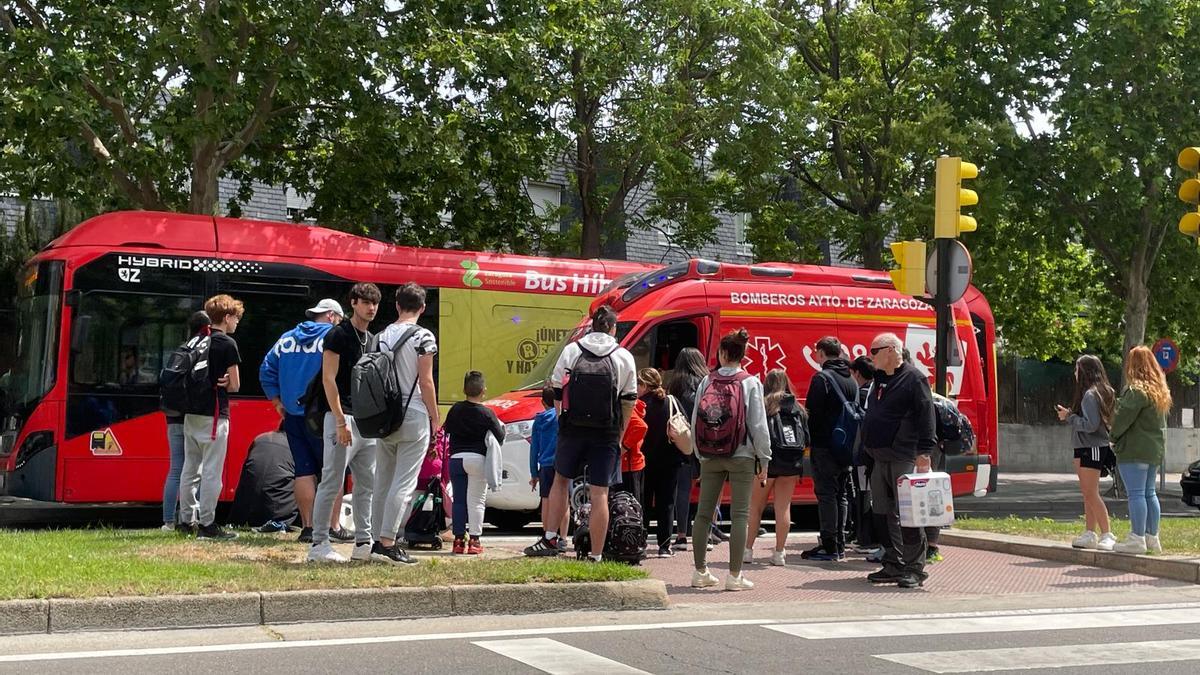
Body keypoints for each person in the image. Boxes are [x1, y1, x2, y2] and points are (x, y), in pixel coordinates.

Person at [524, 305, 638, 560]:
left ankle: (551, 538)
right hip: (606, 432)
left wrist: (562, 422)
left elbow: (556, 389)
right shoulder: (623, 356)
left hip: (572, 429)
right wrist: (619, 436)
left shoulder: (572, 350)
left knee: (561, 482)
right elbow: (628, 400)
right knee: (600, 492)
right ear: (612, 328)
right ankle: (596, 555)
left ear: (591, 326)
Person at [259, 298, 350, 543]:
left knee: (303, 470)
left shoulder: (287, 338)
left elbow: (266, 369)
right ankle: (332, 525)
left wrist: (278, 402)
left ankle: (308, 527)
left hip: (293, 416)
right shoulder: (334, 337)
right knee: (334, 470)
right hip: (324, 415)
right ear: (332, 316)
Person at [690, 329, 771, 591]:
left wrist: (699, 453)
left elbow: (694, 419)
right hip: (742, 455)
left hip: (710, 454)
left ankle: (700, 571)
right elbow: (758, 425)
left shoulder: (706, 381)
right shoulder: (750, 382)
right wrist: (764, 458)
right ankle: (734, 576)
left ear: (722, 353)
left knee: (703, 515)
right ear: (743, 354)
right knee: (739, 515)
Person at [309, 283, 381, 563]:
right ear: (353, 303)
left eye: (374, 302)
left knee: (367, 483)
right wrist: (340, 421)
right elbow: (329, 379)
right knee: (332, 480)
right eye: (365, 302)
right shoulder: (338, 334)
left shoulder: (372, 339)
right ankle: (318, 544)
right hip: (342, 418)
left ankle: (364, 542)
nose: (371, 307)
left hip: (367, 421)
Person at [371, 282, 440, 565]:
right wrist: (435, 418)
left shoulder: (380, 337)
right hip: (413, 415)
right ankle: (389, 543)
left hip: (384, 417)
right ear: (422, 308)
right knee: (404, 482)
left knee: (382, 481)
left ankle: (375, 541)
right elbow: (425, 382)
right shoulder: (424, 337)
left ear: (397, 305)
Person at [862, 332, 936, 589]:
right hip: (879, 456)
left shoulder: (915, 379)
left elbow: (927, 415)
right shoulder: (879, 381)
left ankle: (915, 568)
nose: (870, 356)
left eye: (875, 350)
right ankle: (893, 562)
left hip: (904, 455)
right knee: (882, 513)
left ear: (892, 350)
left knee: (909, 514)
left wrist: (924, 452)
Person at [179, 295, 243, 541]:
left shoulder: (198, 341)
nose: (237, 323)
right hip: (215, 415)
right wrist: (228, 382)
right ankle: (208, 524)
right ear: (227, 318)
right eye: (236, 318)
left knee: (190, 468)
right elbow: (235, 384)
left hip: (190, 414)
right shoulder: (227, 344)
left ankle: (186, 521)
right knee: (212, 472)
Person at [802, 336, 858, 562]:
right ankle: (840, 543)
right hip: (846, 446)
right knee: (841, 494)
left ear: (822, 353)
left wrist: (809, 439)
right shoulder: (852, 380)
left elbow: (812, 414)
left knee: (826, 494)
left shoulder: (822, 379)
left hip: (825, 444)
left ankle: (829, 544)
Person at [1110, 346, 1170, 555]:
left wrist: (1112, 437)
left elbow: (1121, 419)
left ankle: (1137, 538)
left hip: (1134, 448)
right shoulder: (1159, 392)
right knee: (1149, 493)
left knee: (1135, 494)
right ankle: (1152, 537)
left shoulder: (1136, 391)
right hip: (1153, 450)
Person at [1055, 354, 1117, 552]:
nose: (1074, 372)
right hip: (1085, 447)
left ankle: (1107, 533)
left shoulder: (1091, 395)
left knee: (1090, 493)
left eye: (1077, 369)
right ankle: (1090, 533)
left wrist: (1070, 417)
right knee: (1087, 493)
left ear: (1085, 371)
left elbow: (1091, 425)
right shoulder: (1100, 392)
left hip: (1091, 447)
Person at [745, 369, 805, 566]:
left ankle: (747, 550)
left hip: (767, 463)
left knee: (755, 507)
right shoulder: (797, 407)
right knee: (783, 507)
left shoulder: (764, 405)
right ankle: (779, 553)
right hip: (791, 462)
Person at [444, 370, 504, 555]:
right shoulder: (487, 413)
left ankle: (459, 540)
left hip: (456, 459)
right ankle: (475, 541)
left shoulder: (455, 409)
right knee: (477, 501)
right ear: (483, 391)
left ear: (464, 389)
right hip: (477, 459)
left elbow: (447, 429)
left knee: (459, 500)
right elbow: (500, 436)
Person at [161, 311, 211, 531]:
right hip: (192, 417)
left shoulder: (182, 350)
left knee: (176, 470)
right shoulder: (203, 351)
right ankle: (194, 517)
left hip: (172, 418)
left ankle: (168, 522)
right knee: (196, 470)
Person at [667, 347, 709, 553]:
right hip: (705, 441)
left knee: (682, 489)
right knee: (708, 488)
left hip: (682, 442)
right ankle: (706, 535)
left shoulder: (676, 384)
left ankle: (682, 535)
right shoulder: (707, 383)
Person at [639, 368, 684, 557]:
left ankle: (640, 542)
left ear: (645, 385)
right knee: (667, 503)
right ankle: (664, 545)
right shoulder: (671, 401)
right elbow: (683, 423)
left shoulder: (640, 405)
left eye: (639, 383)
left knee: (643, 503)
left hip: (645, 460)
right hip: (670, 459)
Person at [529, 385, 568, 552]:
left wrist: (533, 472)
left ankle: (547, 536)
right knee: (564, 501)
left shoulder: (539, 420)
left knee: (546, 500)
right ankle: (564, 538)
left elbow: (534, 448)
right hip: (562, 462)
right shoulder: (563, 417)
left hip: (545, 465)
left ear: (542, 401)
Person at [848, 355, 879, 556]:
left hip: (863, 454)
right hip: (873, 452)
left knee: (863, 494)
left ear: (857, 373)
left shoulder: (862, 395)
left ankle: (865, 538)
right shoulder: (875, 392)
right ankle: (866, 536)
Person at [618, 395, 649, 505]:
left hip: (628, 466)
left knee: (629, 507)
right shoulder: (630, 405)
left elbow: (641, 427)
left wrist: (623, 448)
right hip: (633, 463)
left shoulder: (625, 406)